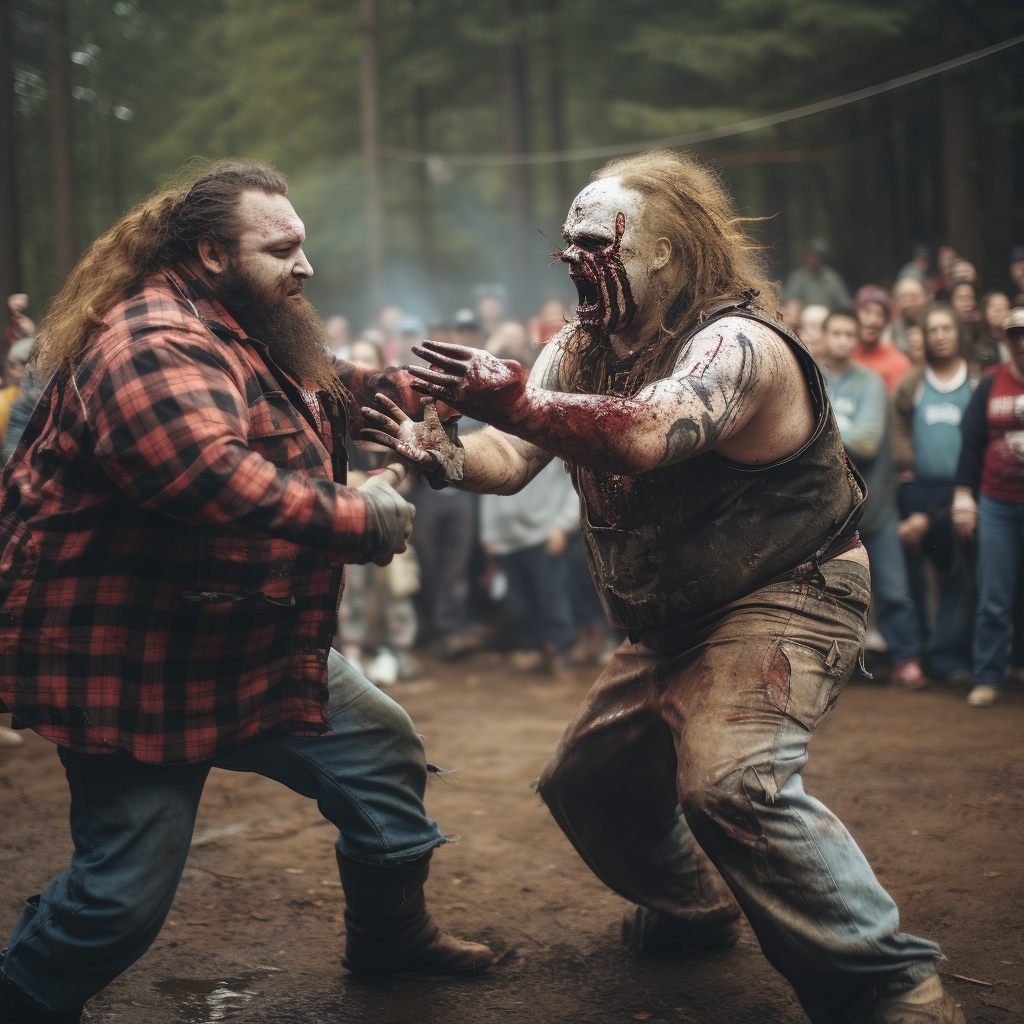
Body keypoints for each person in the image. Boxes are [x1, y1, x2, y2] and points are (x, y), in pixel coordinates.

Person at [362, 150, 959, 1024]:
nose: (575, 260)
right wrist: (444, 452)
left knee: (729, 781)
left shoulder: (738, 344)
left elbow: (646, 434)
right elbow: (517, 458)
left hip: (787, 593)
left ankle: (893, 985)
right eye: (567, 244)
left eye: (597, 243)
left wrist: (513, 400)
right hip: (672, 620)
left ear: (667, 253)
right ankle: (693, 906)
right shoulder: (578, 349)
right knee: (586, 785)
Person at [0, 162, 494, 1023]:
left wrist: (458, 390)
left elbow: (341, 389)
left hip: (248, 639)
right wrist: (362, 518)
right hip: (132, 661)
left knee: (382, 756)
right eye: (283, 248)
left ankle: (390, 936)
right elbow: (205, 475)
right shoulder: (151, 340)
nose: (306, 265)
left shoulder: (245, 322)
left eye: (303, 244)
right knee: (119, 897)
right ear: (211, 253)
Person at [818, 310, 924, 689]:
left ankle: (906, 658)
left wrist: (818, 425)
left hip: (876, 505)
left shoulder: (871, 383)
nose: (844, 340)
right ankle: (834, 668)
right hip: (830, 509)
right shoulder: (816, 376)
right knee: (833, 593)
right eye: (837, 333)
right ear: (826, 336)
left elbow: (866, 442)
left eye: (850, 333)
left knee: (894, 588)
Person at [893, 304, 976, 683]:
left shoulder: (977, 381)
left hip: (968, 494)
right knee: (928, 580)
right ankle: (933, 654)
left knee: (964, 576)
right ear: (923, 337)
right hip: (922, 491)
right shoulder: (913, 382)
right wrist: (907, 468)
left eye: (947, 327)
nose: (940, 335)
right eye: (933, 329)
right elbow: (899, 429)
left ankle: (954, 656)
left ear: (958, 333)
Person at [953, 307, 1024, 707]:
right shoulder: (992, 381)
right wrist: (964, 498)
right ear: (1008, 340)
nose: (1023, 343)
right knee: (994, 596)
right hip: (996, 502)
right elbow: (971, 444)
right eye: (1016, 335)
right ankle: (988, 675)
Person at [480, 458, 579, 673]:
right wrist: (489, 533)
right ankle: (536, 649)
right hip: (507, 540)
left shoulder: (550, 440)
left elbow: (575, 483)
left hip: (545, 533)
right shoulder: (496, 435)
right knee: (521, 602)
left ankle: (561, 651)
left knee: (552, 597)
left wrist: (563, 525)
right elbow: (487, 489)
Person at [852, 286, 912, 394]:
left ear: (886, 322)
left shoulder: (899, 363)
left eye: (879, 315)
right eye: (867, 312)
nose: (872, 320)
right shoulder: (843, 355)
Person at [782, 239, 852, 310]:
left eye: (817, 256)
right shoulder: (798, 277)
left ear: (823, 258)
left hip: (827, 315)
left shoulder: (832, 278)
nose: (814, 259)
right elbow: (788, 300)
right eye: (812, 256)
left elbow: (844, 303)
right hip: (803, 314)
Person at [882, 276, 929, 356]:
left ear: (926, 298)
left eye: (913, 298)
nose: (908, 304)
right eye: (903, 298)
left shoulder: (936, 323)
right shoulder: (890, 332)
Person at [969, 291, 1011, 373]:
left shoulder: (1017, 341)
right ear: (984, 312)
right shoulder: (976, 344)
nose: (1003, 313)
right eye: (996, 308)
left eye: (1006, 307)